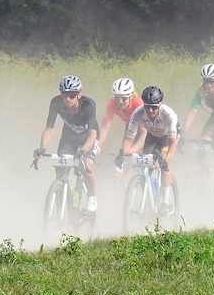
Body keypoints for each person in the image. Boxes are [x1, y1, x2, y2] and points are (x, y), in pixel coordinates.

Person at [35, 75, 102, 214]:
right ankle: (65, 200)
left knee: (87, 165)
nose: (67, 99)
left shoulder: (88, 105)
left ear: (79, 95)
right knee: (60, 171)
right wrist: (42, 147)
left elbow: (93, 134)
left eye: (72, 95)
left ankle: (92, 197)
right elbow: (49, 128)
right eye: (64, 95)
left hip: (88, 138)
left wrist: (84, 150)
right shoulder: (55, 103)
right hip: (69, 139)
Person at [118, 85, 181, 206]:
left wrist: (167, 160)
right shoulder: (137, 114)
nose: (150, 111)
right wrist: (124, 154)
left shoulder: (169, 115)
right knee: (143, 160)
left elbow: (173, 143)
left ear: (159, 105)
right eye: (147, 107)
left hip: (169, 138)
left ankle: (165, 201)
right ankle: (147, 193)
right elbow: (128, 138)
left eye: (154, 108)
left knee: (164, 164)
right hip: (153, 135)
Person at [102, 78, 142, 145]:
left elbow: (143, 131)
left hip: (148, 128)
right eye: (117, 98)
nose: (120, 102)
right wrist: (97, 146)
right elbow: (105, 127)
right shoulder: (112, 103)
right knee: (123, 153)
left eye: (124, 98)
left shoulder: (138, 104)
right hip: (131, 126)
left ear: (131, 96)